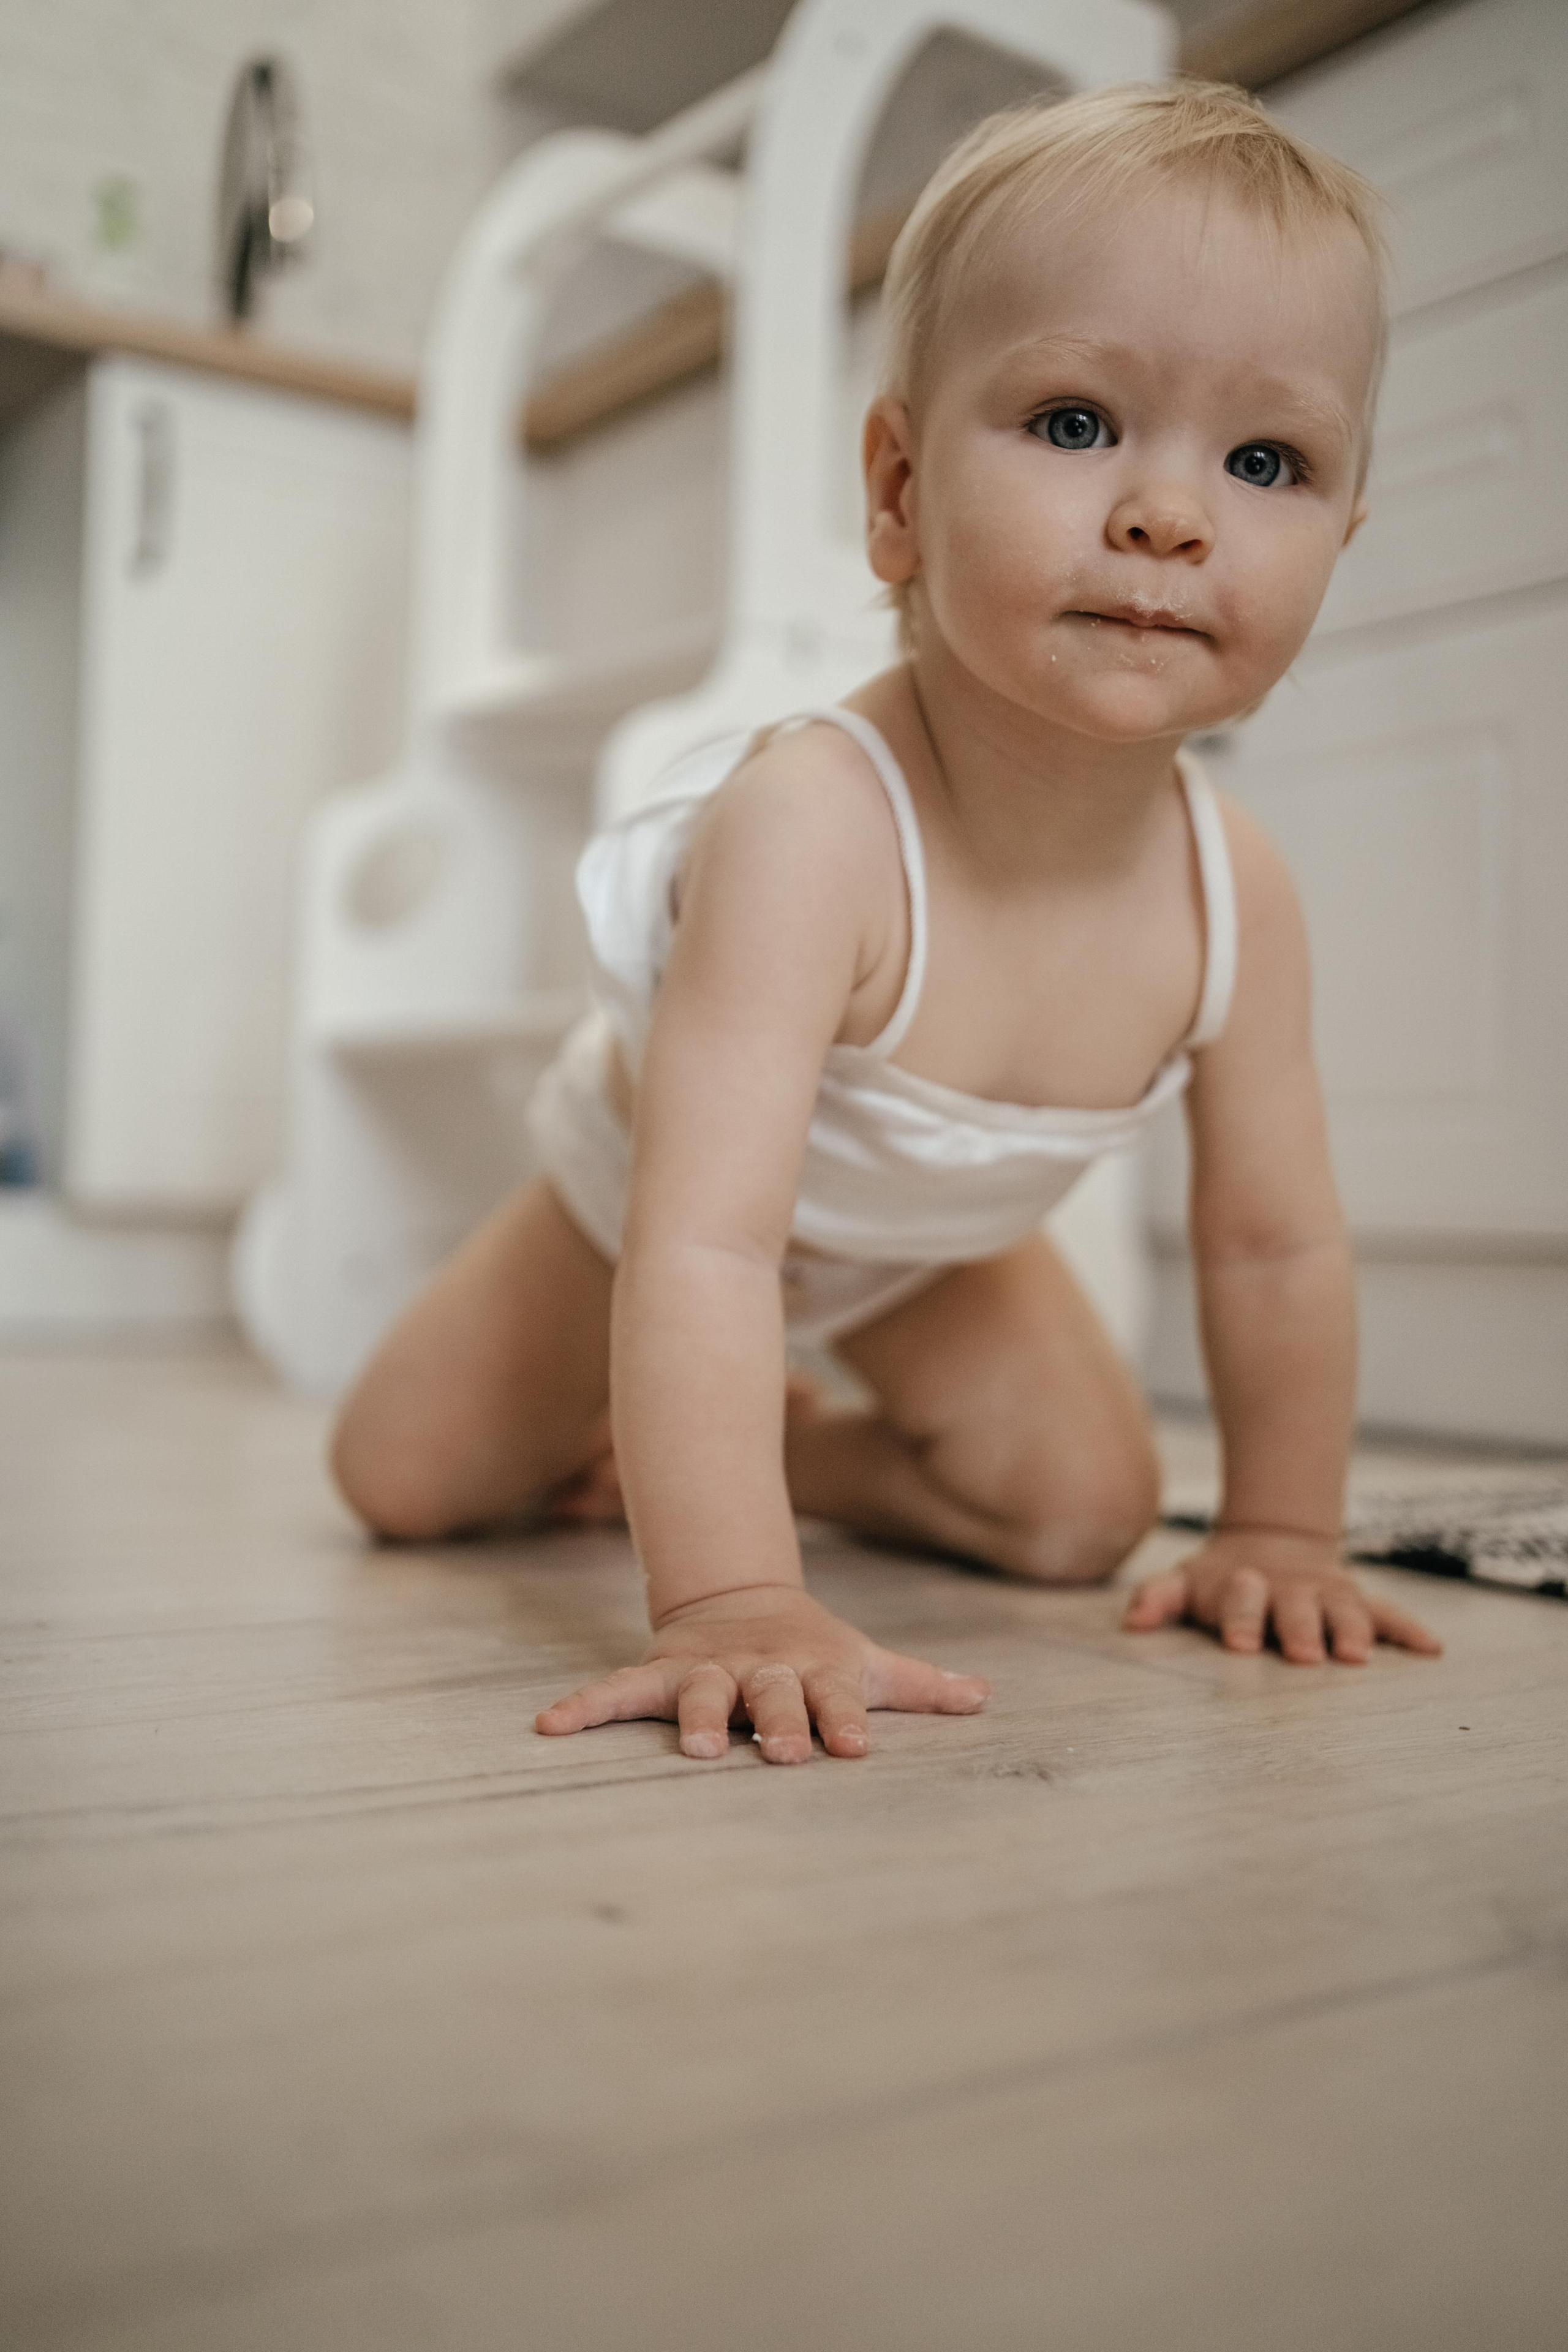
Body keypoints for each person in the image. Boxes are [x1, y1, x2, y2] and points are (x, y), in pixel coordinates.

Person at [331, 81, 1442, 1765]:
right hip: (655, 1207)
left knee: (1085, 1513)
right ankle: (688, 1452)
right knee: (403, 1484)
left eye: (1267, 460)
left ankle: (787, 1439)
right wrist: (728, 1599)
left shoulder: (1237, 893)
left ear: (1340, 537)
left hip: (919, 1246)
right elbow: (707, 1242)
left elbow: (1274, 1245)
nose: (1170, 513)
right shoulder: (814, 829)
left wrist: (1282, 1532)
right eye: (1075, 424)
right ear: (901, 488)